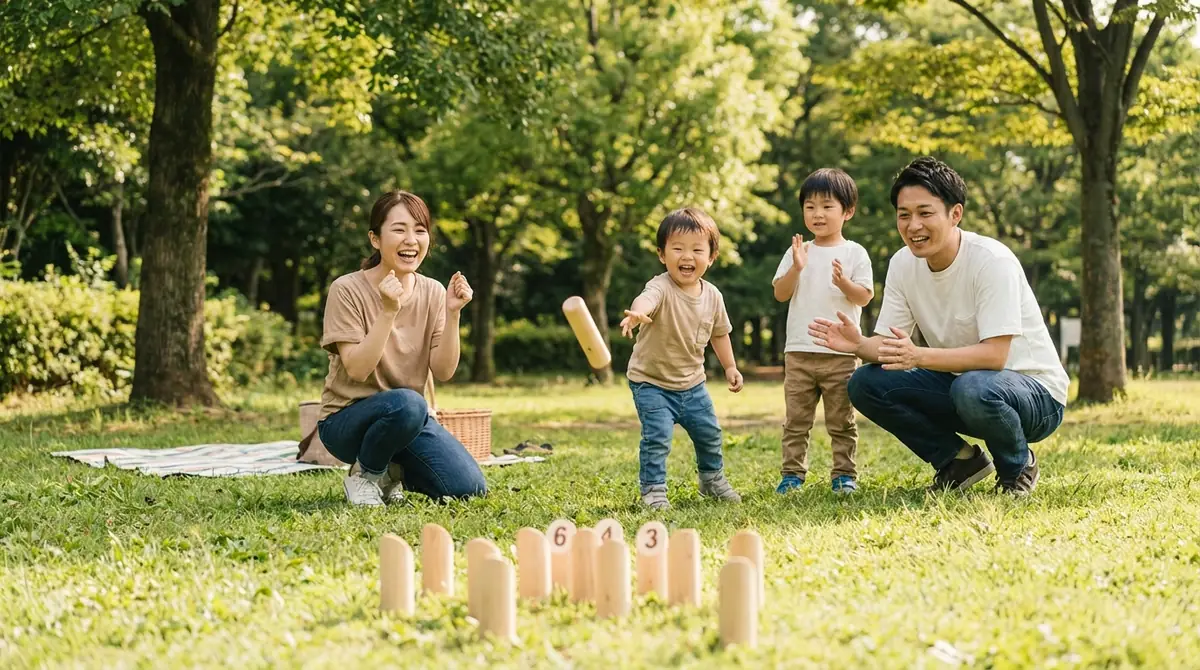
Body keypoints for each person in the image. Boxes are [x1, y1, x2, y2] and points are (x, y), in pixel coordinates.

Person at [809, 157, 1068, 495]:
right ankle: (959, 462)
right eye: (904, 215)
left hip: (1036, 395)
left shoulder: (992, 261)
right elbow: (890, 346)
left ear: (955, 213)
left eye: (925, 213)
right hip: (966, 388)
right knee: (866, 383)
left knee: (972, 387)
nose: (913, 225)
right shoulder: (903, 264)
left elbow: (994, 356)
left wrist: (918, 356)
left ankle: (1017, 467)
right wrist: (858, 344)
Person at [317, 190, 487, 506]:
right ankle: (366, 475)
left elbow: (444, 371)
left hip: (408, 420)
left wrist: (452, 313)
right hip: (346, 422)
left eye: (420, 230)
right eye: (399, 229)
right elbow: (357, 369)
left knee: (469, 487)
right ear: (375, 239)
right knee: (408, 403)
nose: (411, 240)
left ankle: (390, 470)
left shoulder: (433, 291)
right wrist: (388, 311)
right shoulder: (347, 289)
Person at [620, 207, 744, 510]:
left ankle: (712, 480)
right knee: (658, 437)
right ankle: (653, 490)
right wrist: (637, 313)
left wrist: (730, 366)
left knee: (709, 434)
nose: (687, 256)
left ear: (711, 257)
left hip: (692, 384)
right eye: (677, 248)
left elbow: (719, 334)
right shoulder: (661, 286)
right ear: (662, 254)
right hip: (651, 382)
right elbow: (647, 298)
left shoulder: (713, 296)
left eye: (697, 250)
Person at [772, 168, 874, 495]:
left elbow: (865, 296)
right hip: (799, 352)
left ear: (848, 211)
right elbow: (780, 293)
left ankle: (844, 475)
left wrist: (844, 283)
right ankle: (792, 475)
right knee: (796, 421)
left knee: (841, 421)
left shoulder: (855, 253)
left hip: (840, 355)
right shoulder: (798, 251)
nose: (817, 214)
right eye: (810, 206)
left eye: (827, 206)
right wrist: (797, 267)